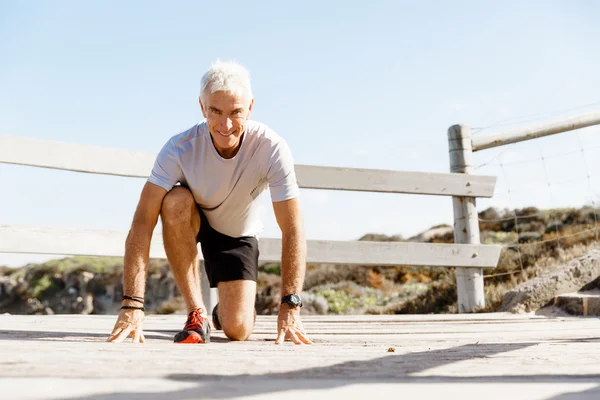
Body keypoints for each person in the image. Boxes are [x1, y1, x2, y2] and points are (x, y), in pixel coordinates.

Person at [106, 61, 312, 345]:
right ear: (202, 107)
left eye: (235, 112)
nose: (225, 125)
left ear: (250, 107)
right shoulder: (179, 148)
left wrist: (290, 305)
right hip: (190, 218)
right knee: (176, 199)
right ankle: (196, 313)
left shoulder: (271, 148)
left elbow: (293, 228)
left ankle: (221, 313)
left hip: (236, 233)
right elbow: (142, 223)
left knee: (237, 330)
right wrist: (132, 305)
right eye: (215, 111)